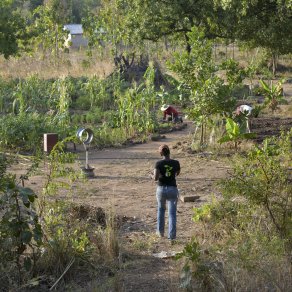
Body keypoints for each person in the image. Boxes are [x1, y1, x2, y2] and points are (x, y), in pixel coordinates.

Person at [150, 144, 180, 240]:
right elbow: (177, 173)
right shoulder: (176, 163)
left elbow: (155, 178)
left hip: (161, 189)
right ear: (169, 152)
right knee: (172, 214)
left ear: (161, 153)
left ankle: (160, 232)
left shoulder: (158, 163)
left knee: (161, 210)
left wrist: (151, 175)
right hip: (172, 189)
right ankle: (172, 236)